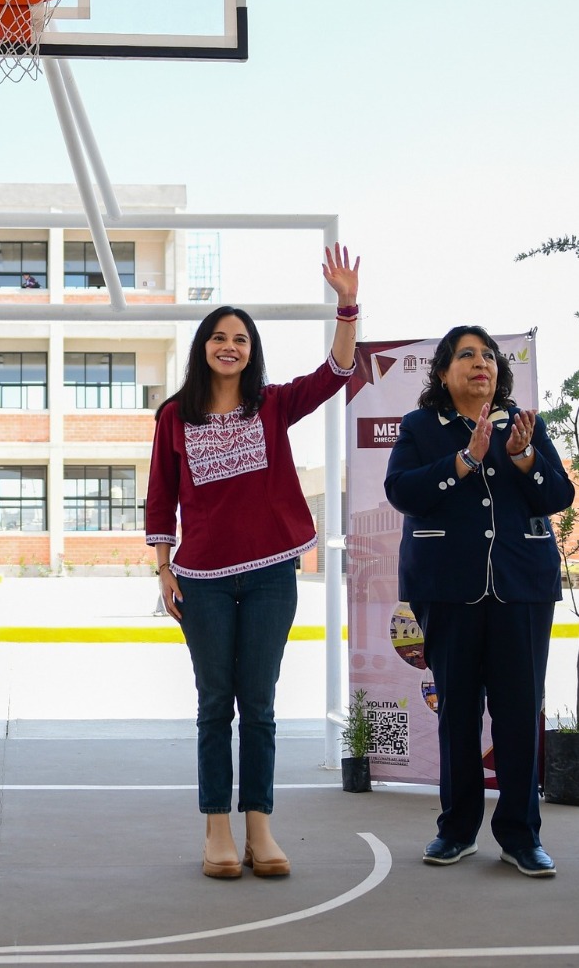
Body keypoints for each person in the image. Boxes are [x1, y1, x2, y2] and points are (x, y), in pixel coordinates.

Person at [146, 246, 358, 880]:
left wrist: (346, 306)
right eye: (219, 337)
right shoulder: (173, 417)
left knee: (259, 705)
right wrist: (163, 568)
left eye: (240, 338)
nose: (229, 346)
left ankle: (260, 827)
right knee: (216, 704)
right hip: (201, 581)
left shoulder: (272, 404)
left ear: (251, 349)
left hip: (270, 576)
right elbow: (161, 494)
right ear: (203, 347)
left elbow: (334, 374)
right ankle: (217, 828)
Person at [384, 326, 575, 879]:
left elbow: (557, 494)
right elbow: (403, 492)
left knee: (519, 715)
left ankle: (521, 835)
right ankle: (456, 830)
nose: (480, 363)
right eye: (465, 355)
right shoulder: (421, 427)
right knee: (458, 714)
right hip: (446, 588)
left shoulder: (524, 424)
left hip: (522, 589)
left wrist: (522, 458)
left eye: (488, 355)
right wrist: (464, 460)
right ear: (443, 373)